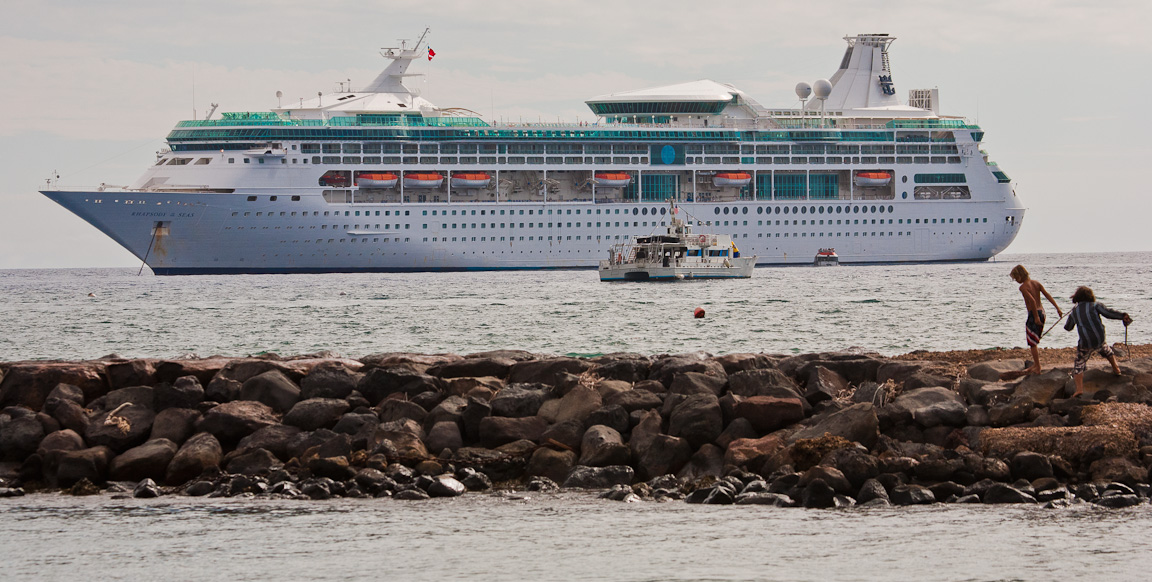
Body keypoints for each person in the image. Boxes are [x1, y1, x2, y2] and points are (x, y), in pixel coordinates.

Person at [1064, 285, 1132, 397]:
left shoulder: (1075, 312)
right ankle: (1116, 369)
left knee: (1079, 363)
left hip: (1085, 342)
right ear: (1091, 296)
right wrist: (1122, 316)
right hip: (1099, 339)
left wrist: (1072, 316)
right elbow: (1109, 313)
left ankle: (1079, 389)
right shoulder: (1095, 305)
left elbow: (1068, 327)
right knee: (1107, 351)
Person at [1010, 265, 1062, 374]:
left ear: (1020, 275)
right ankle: (1036, 364)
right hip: (1042, 312)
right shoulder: (1036, 283)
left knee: (1032, 342)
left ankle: (1037, 366)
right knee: (1035, 339)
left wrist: (1036, 317)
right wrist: (1057, 308)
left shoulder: (1023, 287)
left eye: (1016, 278)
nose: (1016, 281)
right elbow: (1047, 295)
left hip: (1034, 314)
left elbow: (1032, 302)